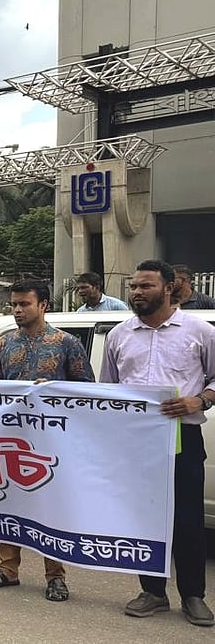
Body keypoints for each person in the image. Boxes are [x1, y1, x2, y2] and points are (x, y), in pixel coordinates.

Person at [101, 260, 215, 626]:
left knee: (188, 519)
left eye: (146, 286)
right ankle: (152, 591)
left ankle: (194, 596)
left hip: (183, 438)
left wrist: (200, 400)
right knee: (145, 517)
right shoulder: (118, 335)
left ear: (168, 288)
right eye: (134, 286)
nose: (137, 292)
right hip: (136, 442)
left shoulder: (200, 331)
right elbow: (109, 390)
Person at [0, 280, 93, 603]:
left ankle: (55, 576)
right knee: (8, 502)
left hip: (51, 443)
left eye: (24, 304)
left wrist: (53, 390)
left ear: (43, 305)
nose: (17, 310)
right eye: (14, 304)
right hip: (12, 440)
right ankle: (7, 569)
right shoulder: (4, 343)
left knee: (50, 508)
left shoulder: (66, 343)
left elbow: (86, 389)